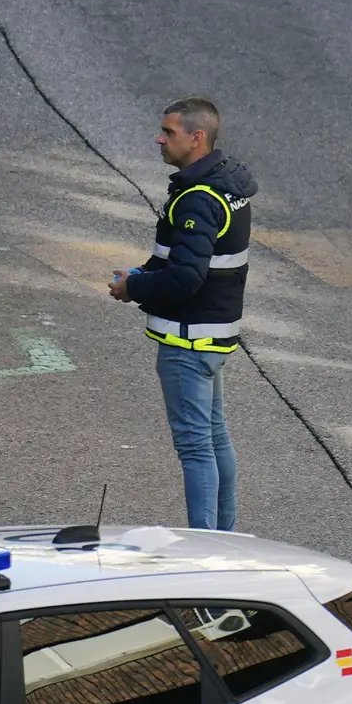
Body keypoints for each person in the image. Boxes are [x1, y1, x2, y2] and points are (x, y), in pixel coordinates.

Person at [109, 97, 258, 532]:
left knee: (196, 448)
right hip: (214, 336)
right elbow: (191, 262)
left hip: (186, 341)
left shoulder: (197, 199)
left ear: (197, 139)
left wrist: (132, 287)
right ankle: (225, 541)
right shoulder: (227, 186)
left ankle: (205, 550)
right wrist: (144, 271)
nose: (159, 138)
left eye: (169, 132)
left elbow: (185, 279)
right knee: (215, 439)